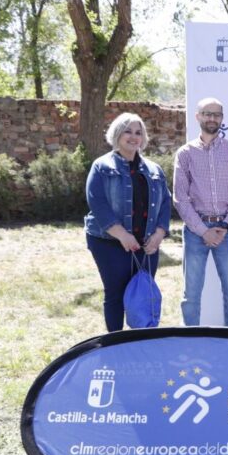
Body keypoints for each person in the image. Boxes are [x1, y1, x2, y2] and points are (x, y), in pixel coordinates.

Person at [84, 113, 171, 332]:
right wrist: (122, 235)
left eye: (138, 132)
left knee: (142, 294)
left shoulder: (154, 170)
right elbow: (98, 204)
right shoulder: (102, 166)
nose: (133, 137)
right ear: (117, 134)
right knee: (115, 294)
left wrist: (159, 234)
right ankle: (115, 343)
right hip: (109, 243)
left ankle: (140, 341)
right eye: (128, 131)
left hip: (147, 245)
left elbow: (166, 203)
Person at [174, 97, 228, 326]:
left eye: (217, 114)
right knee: (191, 295)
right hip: (195, 232)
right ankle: (190, 341)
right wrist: (203, 231)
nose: (212, 118)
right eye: (207, 113)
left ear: (222, 119)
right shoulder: (185, 154)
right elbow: (180, 198)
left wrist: (224, 226)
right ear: (198, 117)